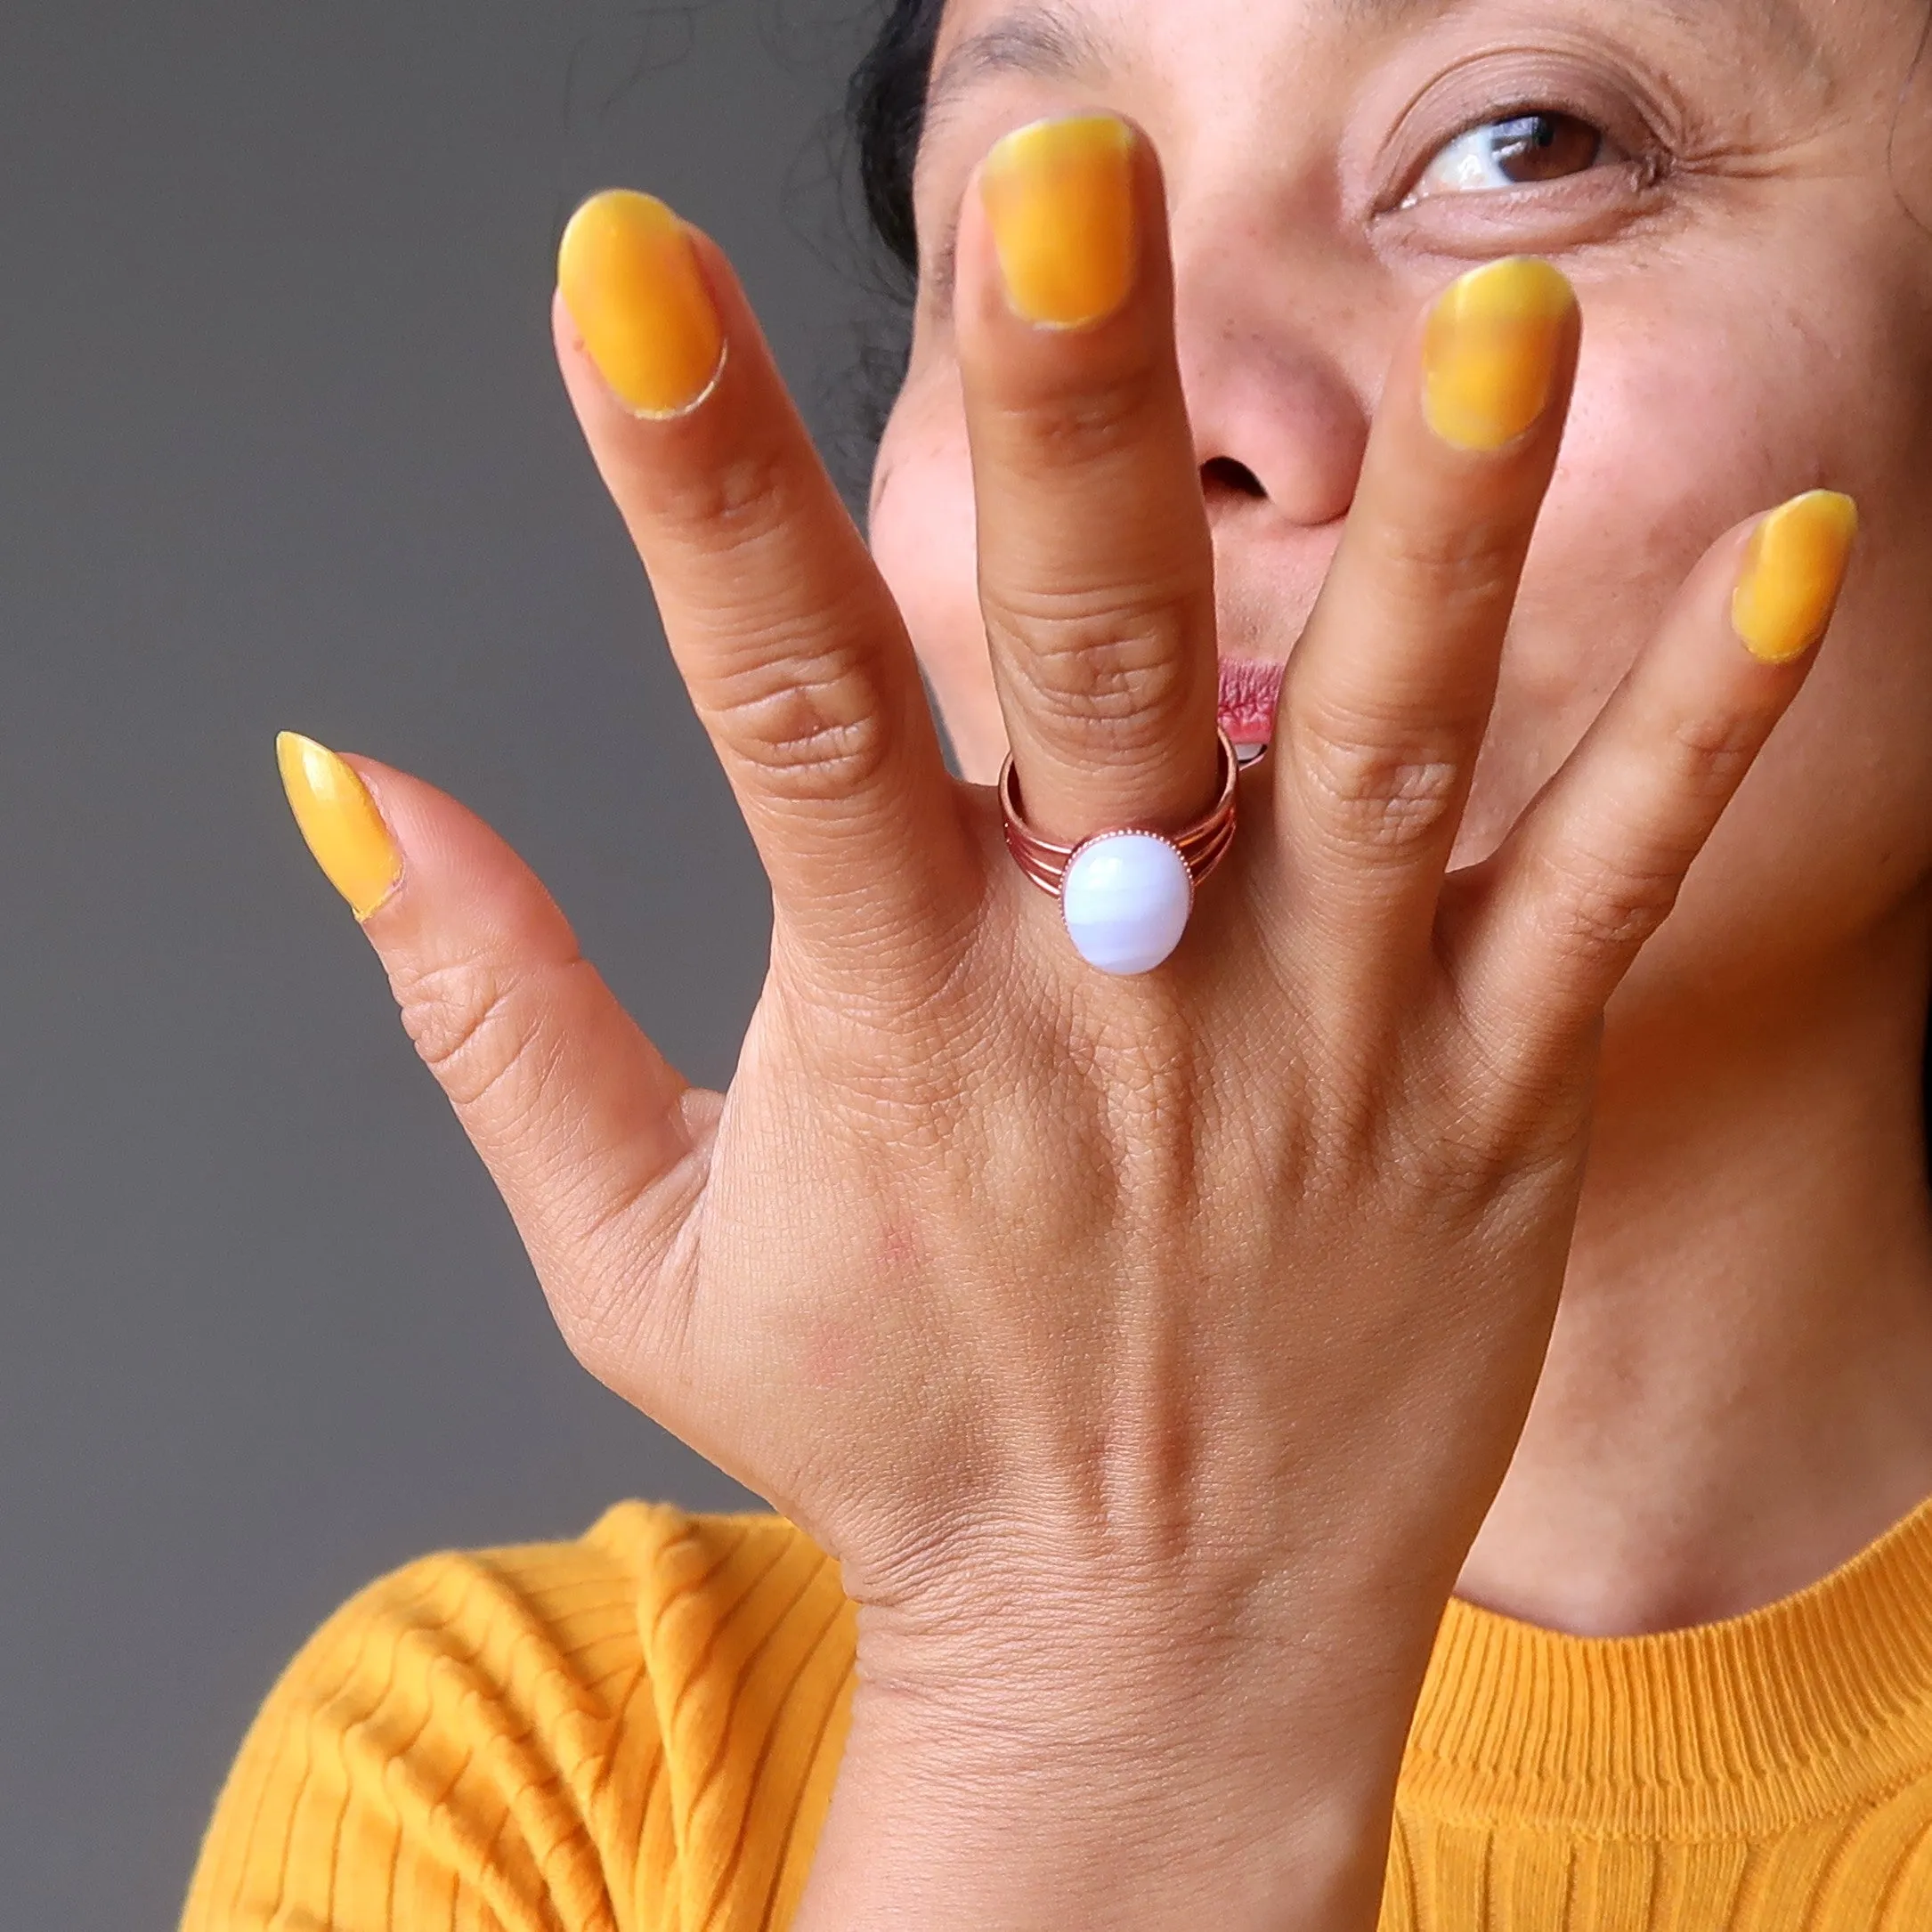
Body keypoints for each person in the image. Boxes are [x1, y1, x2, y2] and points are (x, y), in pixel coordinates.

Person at [180, 0, 1932, 1925]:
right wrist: (1105, 1668)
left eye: (1527, 145)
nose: (1165, 406)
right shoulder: (531, 1783)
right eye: (1027, 228)